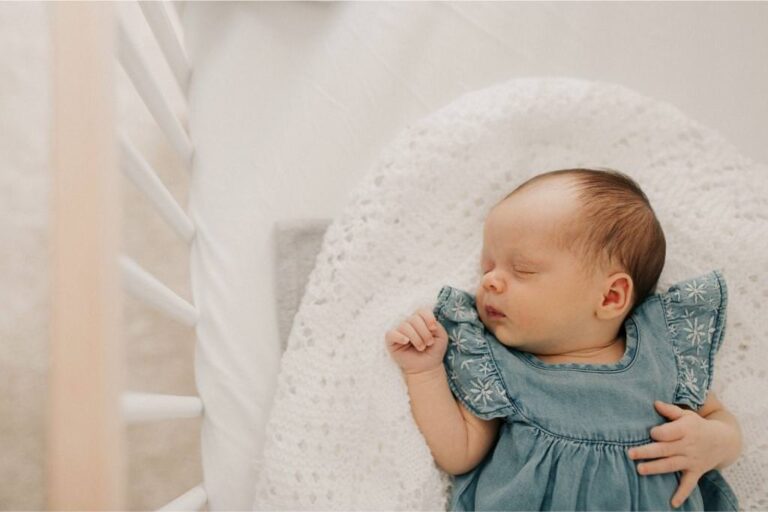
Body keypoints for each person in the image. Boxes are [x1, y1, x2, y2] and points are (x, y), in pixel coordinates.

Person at [385, 168, 742, 510]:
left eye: (522, 269)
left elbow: (718, 417)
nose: (490, 281)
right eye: (487, 267)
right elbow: (458, 454)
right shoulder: (497, 367)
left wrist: (715, 442)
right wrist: (424, 371)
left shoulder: (662, 353)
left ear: (610, 298)